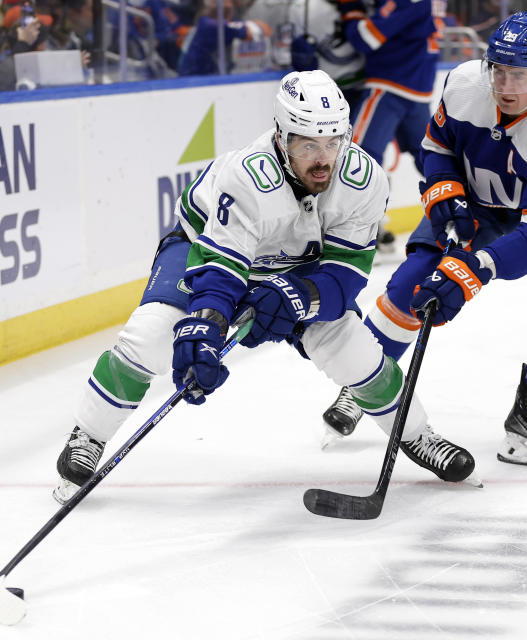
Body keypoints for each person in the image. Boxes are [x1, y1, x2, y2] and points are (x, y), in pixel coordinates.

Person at [51, 70, 476, 504]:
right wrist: (207, 323)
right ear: (282, 136)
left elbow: (347, 272)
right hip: (205, 250)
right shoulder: (247, 176)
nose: (323, 158)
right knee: (152, 335)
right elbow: (221, 266)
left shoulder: (363, 180)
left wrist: (301, 296)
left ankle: (417, 434)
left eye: (333, 142)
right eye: (308, 144)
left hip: (300, 269)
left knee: (355, 351)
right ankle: (89, 434)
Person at [322, 12, 527, 468]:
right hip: (478, 198)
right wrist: (444, 193)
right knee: (414, 281)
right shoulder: (464, 85)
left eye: (520, 73)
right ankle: (364, 380)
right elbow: (437, 147)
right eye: (498, 70)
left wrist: (473, 270)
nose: (505, 84)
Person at [332, 0, 443, 254]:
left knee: (355, 157)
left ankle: (358, 232)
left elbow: (364, 37)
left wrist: (352, 10)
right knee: (431, 159)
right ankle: (467, 210)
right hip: (416, 87)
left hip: (390, 84)